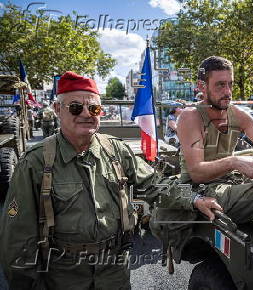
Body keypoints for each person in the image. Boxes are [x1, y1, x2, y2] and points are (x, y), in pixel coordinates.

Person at [0, 71, 218, 290]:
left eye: (93, 108)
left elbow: (153, 184)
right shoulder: (36, 163)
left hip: (115, 272)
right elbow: (18, 241)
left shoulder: (115, 150)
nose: (86, 114)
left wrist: (194, 199)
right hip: (63, 275)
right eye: (75, 107)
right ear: (58, 110)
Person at [176, 56, 253, 223]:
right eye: (220, 85)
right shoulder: (190, 117)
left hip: (230, 181)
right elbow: (197, 173)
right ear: (202, 87)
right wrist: (234, 162)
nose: (227, 92)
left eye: (230, 84)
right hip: (200, 191)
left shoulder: (237, 114)